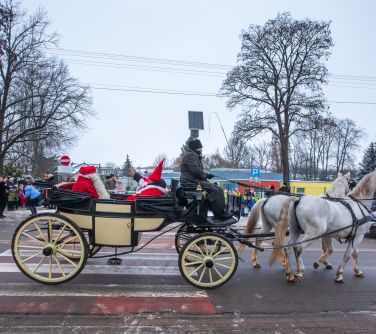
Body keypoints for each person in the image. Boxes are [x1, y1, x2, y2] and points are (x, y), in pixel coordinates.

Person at [180, 139, 231, 220]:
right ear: (196, 148)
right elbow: (196, 170)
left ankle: (220, 211)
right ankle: (219, 213)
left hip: (194, 180)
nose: (201, 149)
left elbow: (197, 171)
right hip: (190, 181)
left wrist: (205, 175)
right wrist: (205, 175)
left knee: (219, 189)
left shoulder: (194, 155)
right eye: (200, 148)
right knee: (212, 189)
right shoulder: (189, 155)